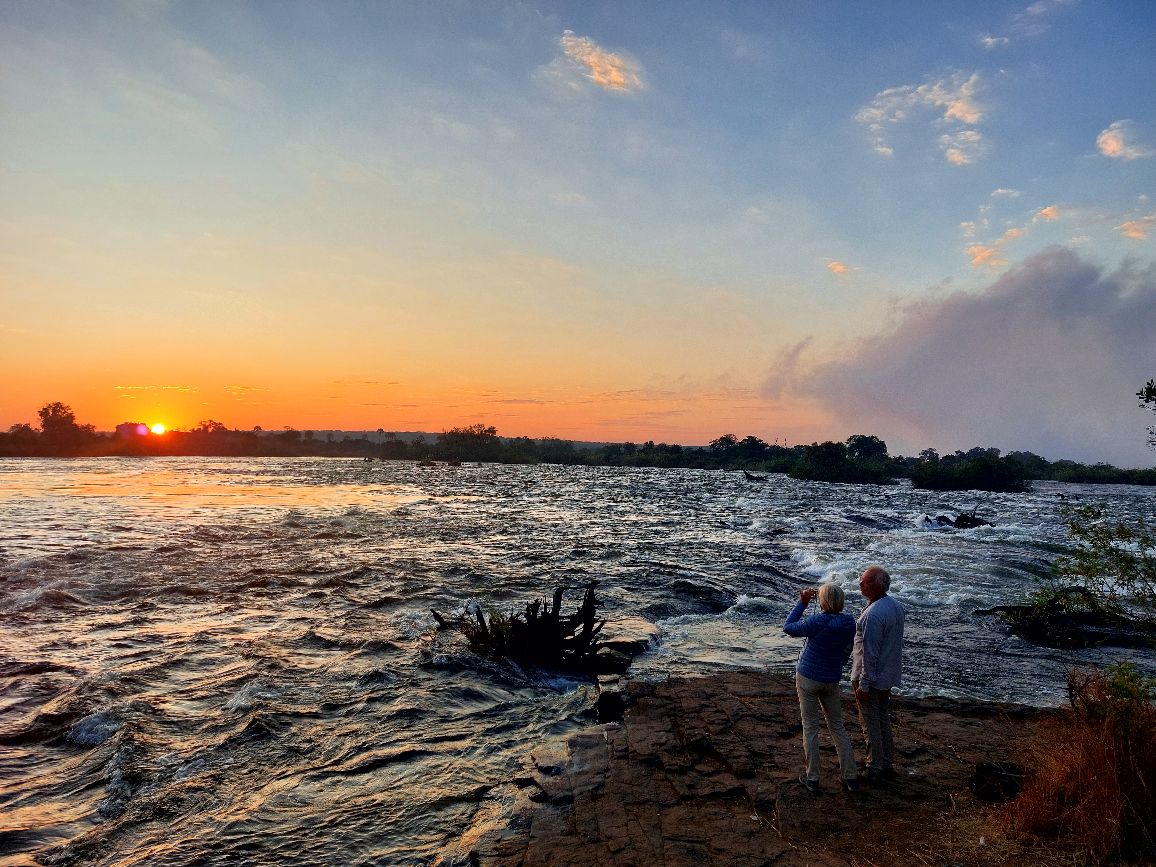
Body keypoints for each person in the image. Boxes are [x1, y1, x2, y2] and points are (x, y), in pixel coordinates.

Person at [784, 581, 859, 794]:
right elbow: (847, 650)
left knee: (810, 727)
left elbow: (788, 627)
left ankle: (813, 778)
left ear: (823, 601)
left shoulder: (817, 621)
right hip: (831, 679)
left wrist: (802, 603)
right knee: (837, 726)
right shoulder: (849, 623)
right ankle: (850, 777)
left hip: (808, 677)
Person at [851, 564, 905, 782]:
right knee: (882, 719)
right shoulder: (895, 606)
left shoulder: (873, 614)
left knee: (870, 722)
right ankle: (886, 762)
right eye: (861, 579)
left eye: (866, 581)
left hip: (871, 678)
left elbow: (870, 653)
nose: (861, 584)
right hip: (887, 675)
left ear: (878, 585)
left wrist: (864, 684)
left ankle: (874, 766)